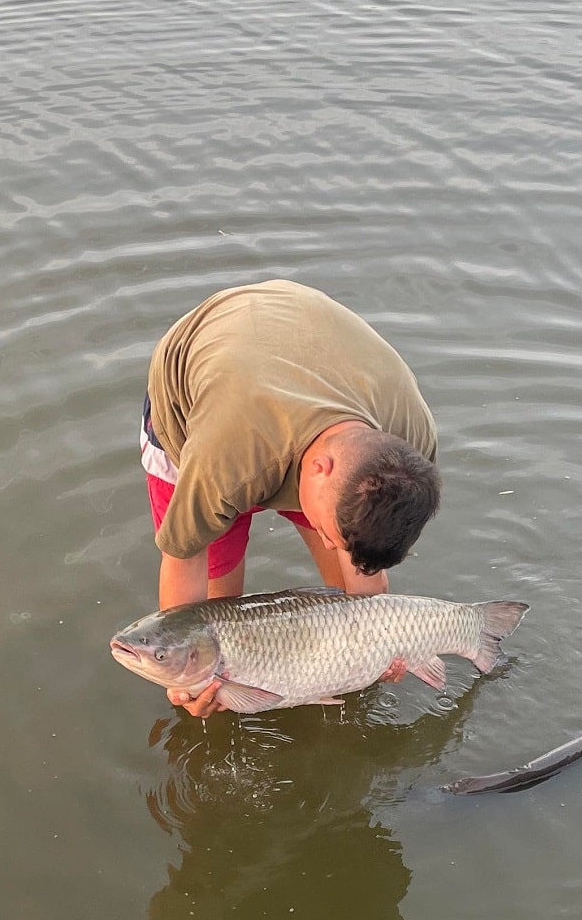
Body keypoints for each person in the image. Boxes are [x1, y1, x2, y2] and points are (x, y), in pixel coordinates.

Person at [140, 278, 440, 717]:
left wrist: (381, 648)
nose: (333, 545)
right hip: (201, 403)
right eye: (332, 534)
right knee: (221, 616)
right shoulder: (223, 460)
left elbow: (366, 581)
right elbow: (184, 562)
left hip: (303, 374)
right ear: (319, 470)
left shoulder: (411, 447)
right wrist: (185, 683)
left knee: (350, 606)